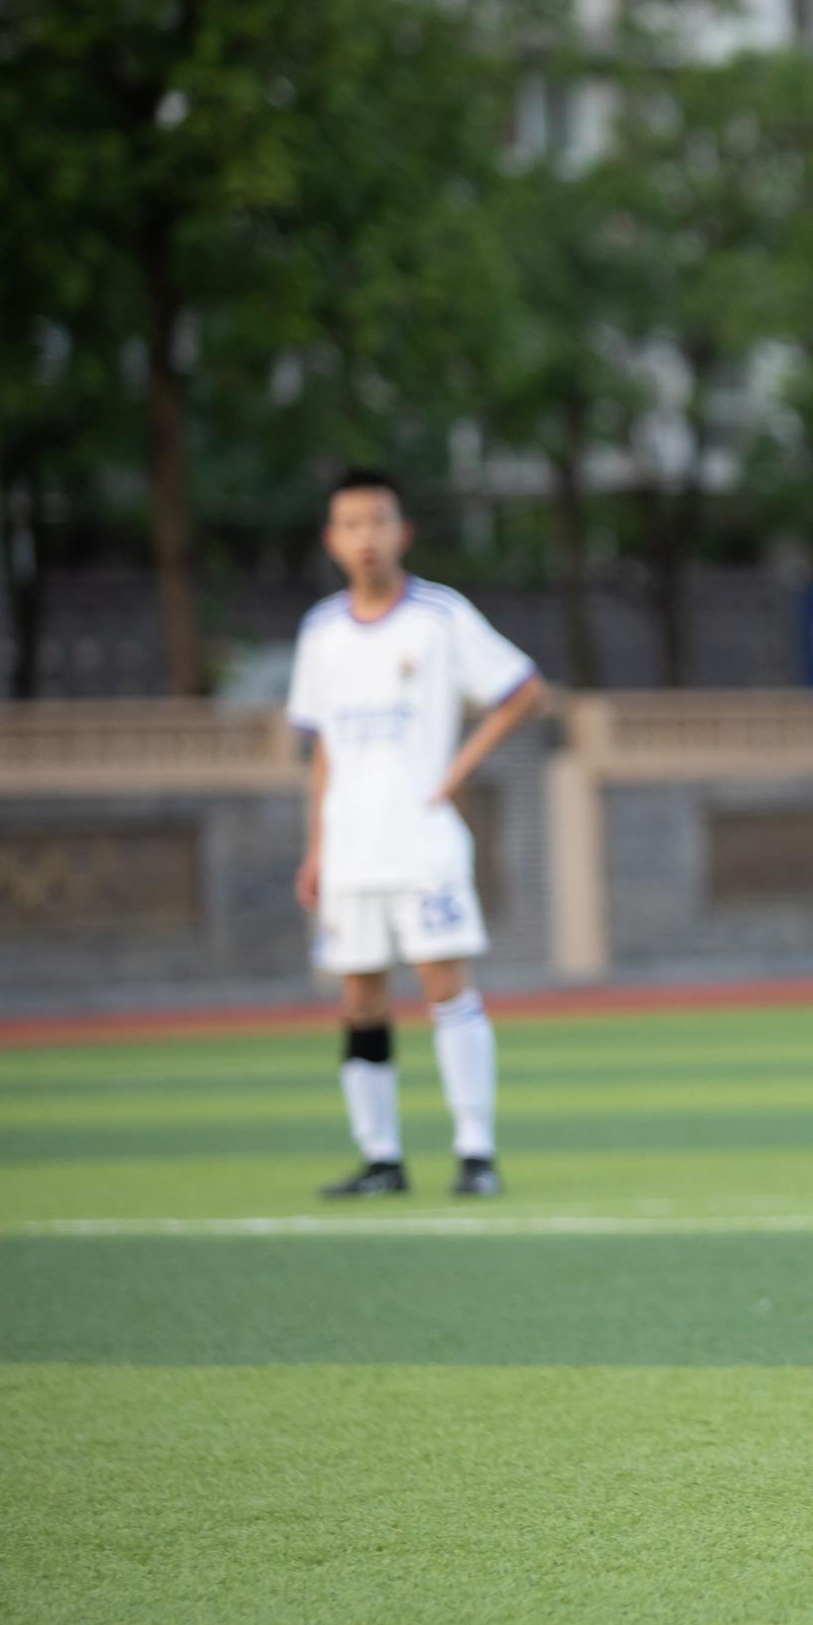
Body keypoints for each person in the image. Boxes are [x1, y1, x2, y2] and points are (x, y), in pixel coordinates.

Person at [288, 470, 544, 1198]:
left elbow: (523, 690)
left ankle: (476, 1152)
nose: (365, 537)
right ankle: (381, 1159)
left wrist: (456, 769)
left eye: (378, 521)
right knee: (360, 997)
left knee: (444, 985)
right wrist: (317, 845)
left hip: (422, 840)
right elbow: (323, 746)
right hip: (350, 845)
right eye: (350, 524)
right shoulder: (322, 630)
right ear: (332, 540)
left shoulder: (439, 615)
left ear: (403, 532)